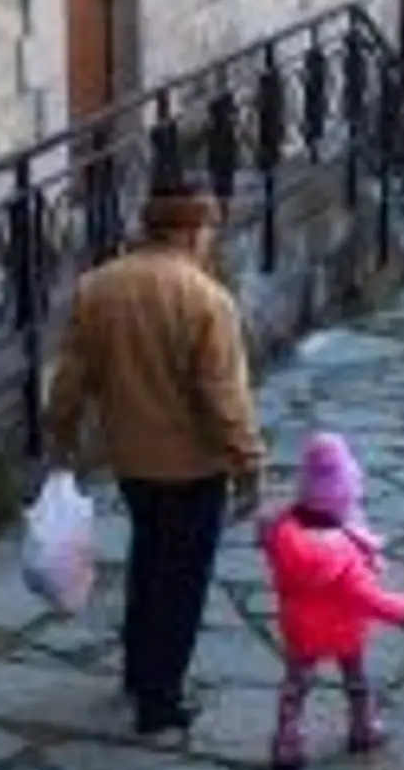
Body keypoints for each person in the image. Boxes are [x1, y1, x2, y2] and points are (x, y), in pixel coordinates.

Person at [43, 187, 266, 736]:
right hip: (193, 464)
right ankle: (160, 698)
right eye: (209, 228)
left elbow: (69, 377)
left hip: (132, 458)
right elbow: (223, 398)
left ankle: (138, 672)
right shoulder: (206, 300)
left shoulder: (99, 287)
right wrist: (249, 464)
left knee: (148, 563)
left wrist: (61, 440)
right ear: (192, 231)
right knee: (181, 581)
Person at [259, 432, 404, 770]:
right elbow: (366, 597)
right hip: (344, 627)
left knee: (296, 685)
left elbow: (267, 537)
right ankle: (362, 728)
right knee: (355, 680)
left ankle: (286, 742)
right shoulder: (347, 551)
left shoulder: (282, 531)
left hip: (299, 626)